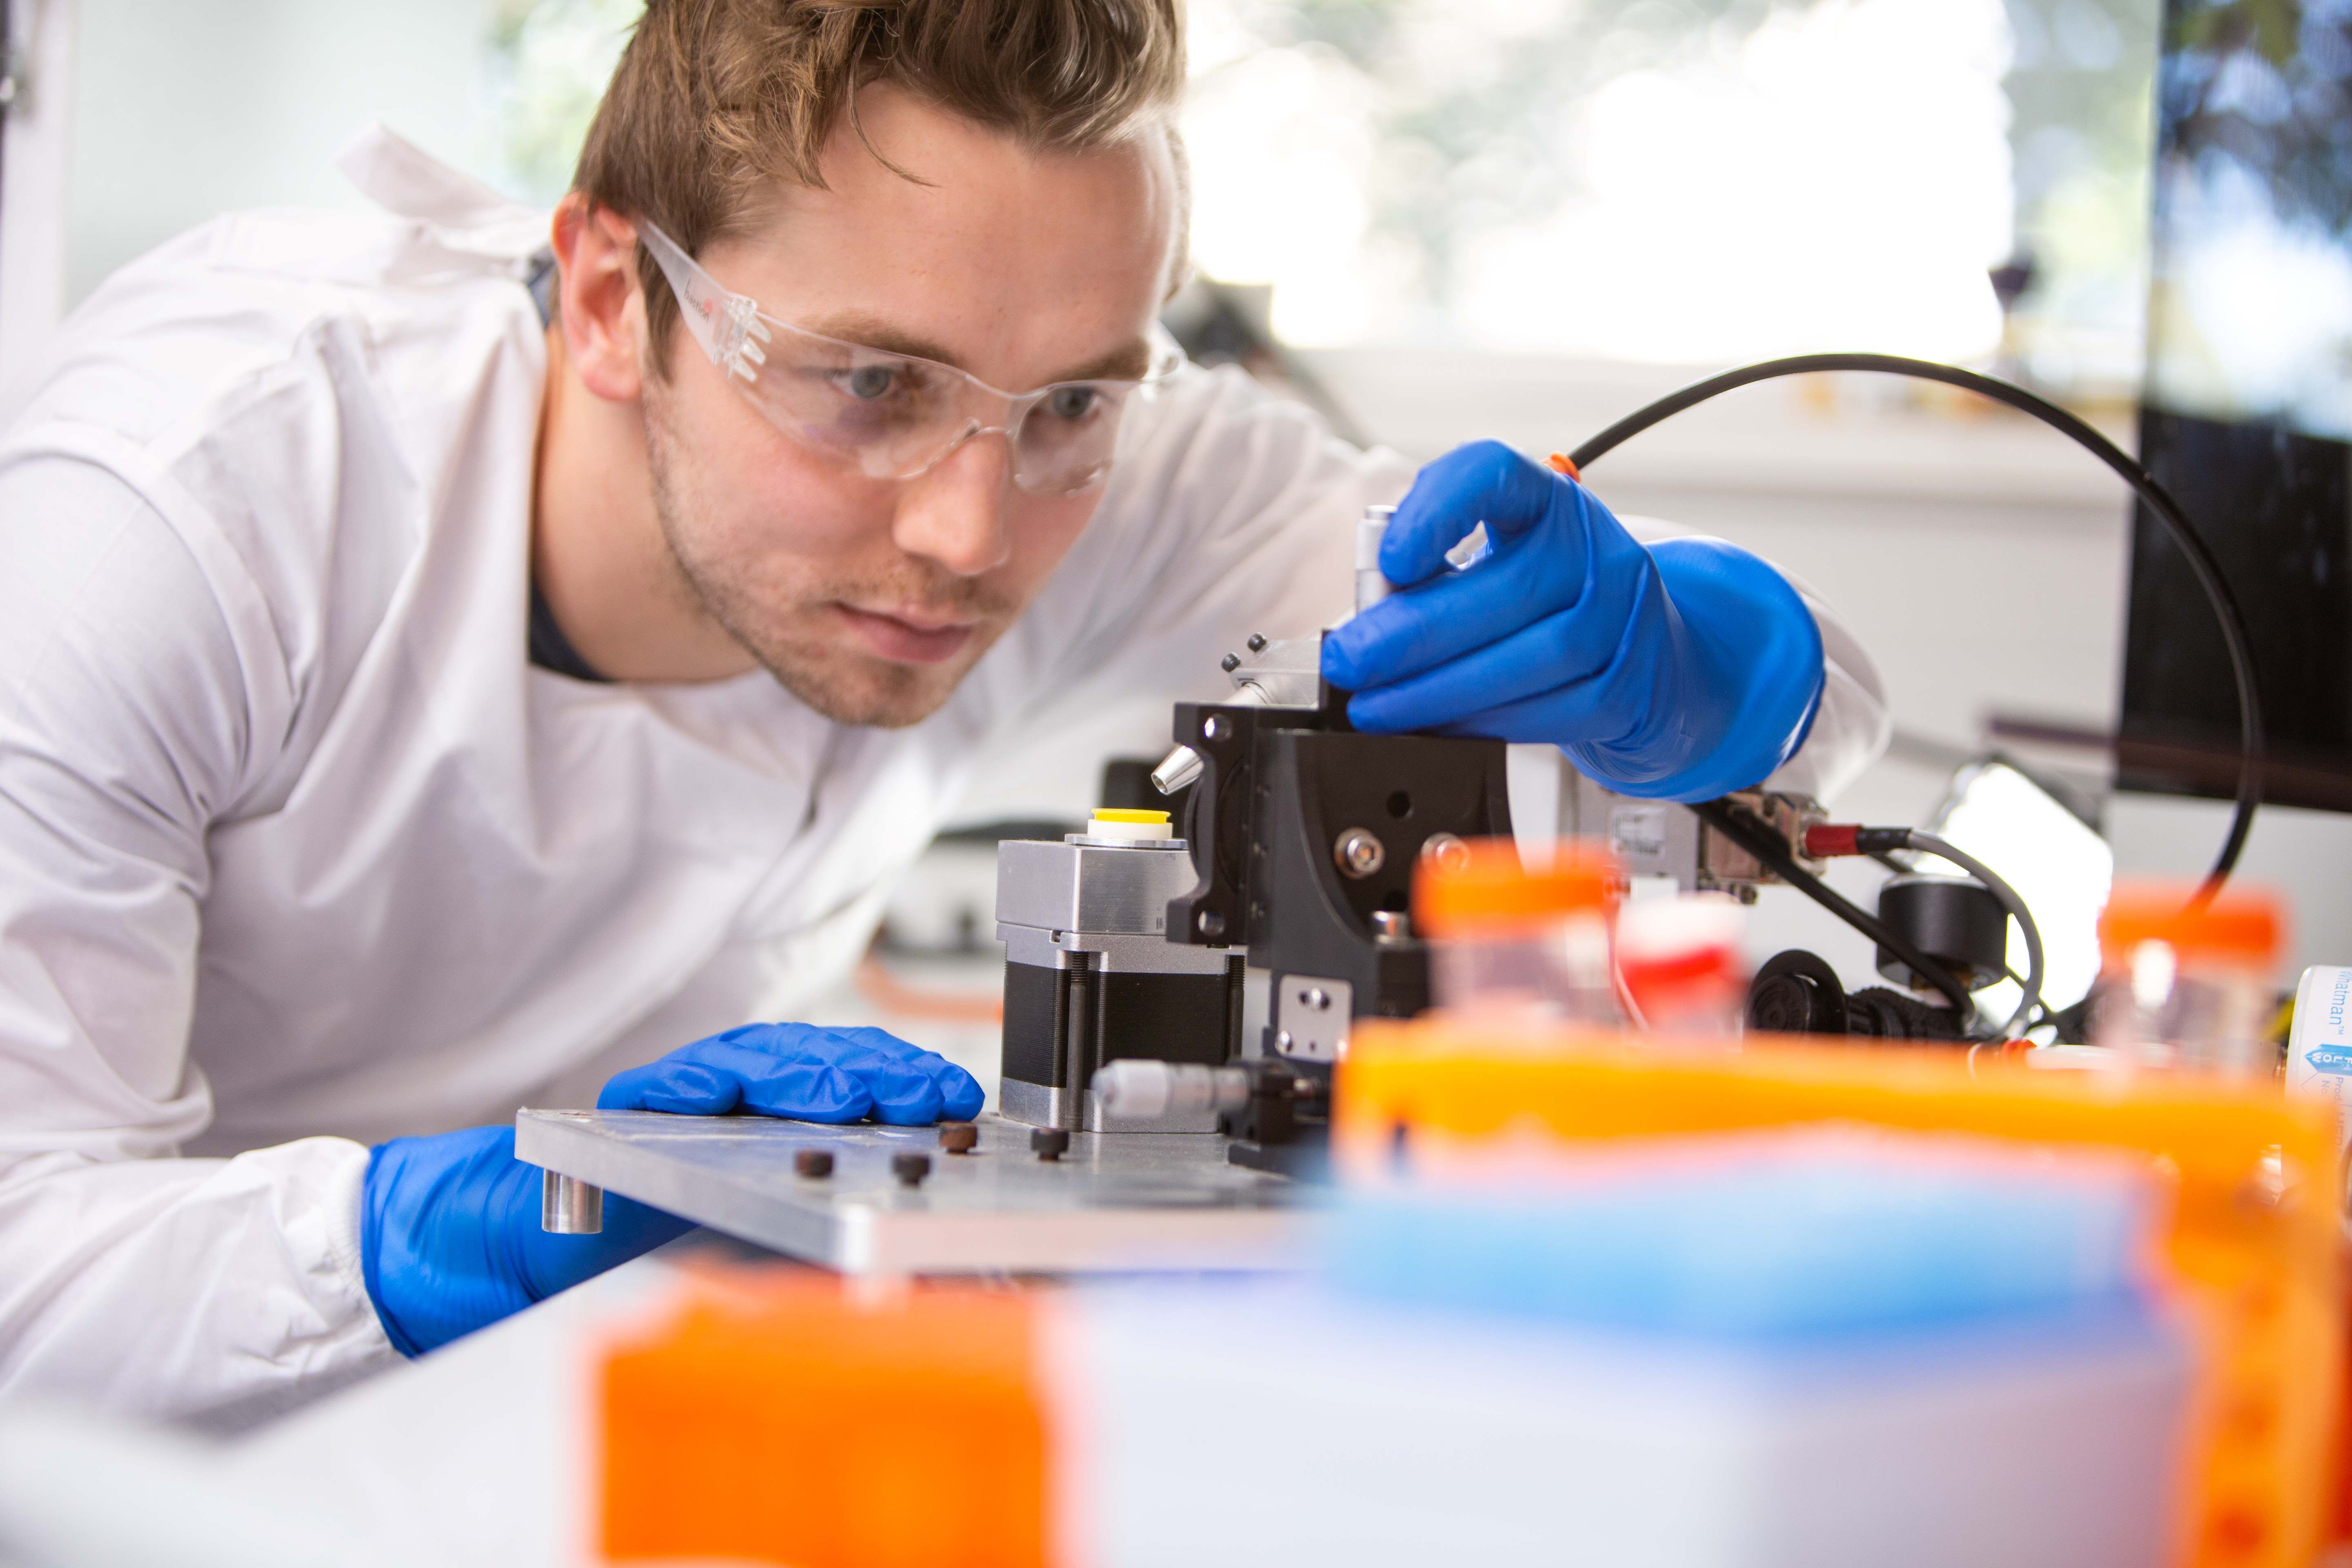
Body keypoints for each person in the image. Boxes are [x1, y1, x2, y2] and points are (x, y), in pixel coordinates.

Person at [0, 0, 1887, 1424]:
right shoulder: (189, 510)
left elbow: (1769, 706)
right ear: (601, 297)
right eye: (869, 384)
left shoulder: (1091, 469)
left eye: (1073, 402)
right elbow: (21, 1261)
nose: (974, 534)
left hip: (622, 1387)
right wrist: (421, 1229)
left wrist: (1717, 671)